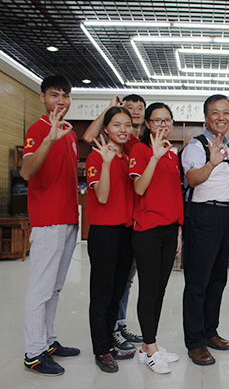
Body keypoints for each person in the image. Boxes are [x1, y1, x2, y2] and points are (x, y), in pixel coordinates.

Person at [21, 75, 80, 376]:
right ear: (42, 97)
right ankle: (33, 353)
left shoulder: (69, 133)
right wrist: (48, 139)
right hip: (48, 220)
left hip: (68, 218)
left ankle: (48, 341)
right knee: (40, 289)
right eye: (54, 95)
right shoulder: (39, 129)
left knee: (55, 287)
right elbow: (26, 171)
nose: (61, 101)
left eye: (65, 95)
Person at [83, 94, 146, 348]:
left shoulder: (129, 156)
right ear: (106, 129)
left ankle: (110, 339)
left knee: (118, 290)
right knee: (102, 293)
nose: (123, 129)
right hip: (104, 232)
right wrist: (107, 165)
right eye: (116, 124)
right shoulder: (97, 157)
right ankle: (102, 349)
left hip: (127, 231)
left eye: (127, 125)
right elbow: (102, 196)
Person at [181, 94, 229, 365]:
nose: (221, 117)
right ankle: (195, 342)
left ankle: (210, 332)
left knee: (217, 280)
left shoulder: (227, 145)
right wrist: (211, 163)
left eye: (226, 112)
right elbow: (192, 179)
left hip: (223, 216)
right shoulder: (196, 146)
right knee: (198, 282)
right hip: (202, 216)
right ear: (205, 117)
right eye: (215, 112)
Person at [129, 102, 183, 374]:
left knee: (160, 290)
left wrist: (179, 231)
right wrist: (153, 157)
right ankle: (151, 349)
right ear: (148, 124)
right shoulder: (140, 150)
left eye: (167, 120)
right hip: (147, 230)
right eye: (157, 120)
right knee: (149, 290)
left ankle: (148, 345)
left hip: (169, 229)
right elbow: (139, 188)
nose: (163, 125)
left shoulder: (173, 155)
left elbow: (175, 194)